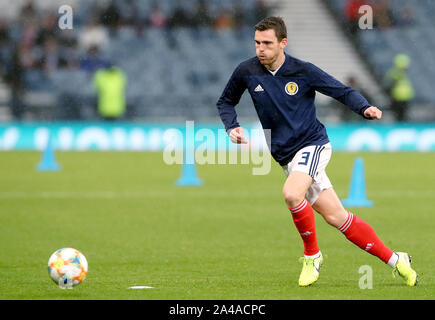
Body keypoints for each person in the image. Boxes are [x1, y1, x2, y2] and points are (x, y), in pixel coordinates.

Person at [216, 17, 417, 287]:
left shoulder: (302, 70)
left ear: (283, 43)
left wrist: (364, 108)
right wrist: (232, 127)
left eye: (267, 43)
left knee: (291, 193)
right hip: (287, 156)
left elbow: (341, 91)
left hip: (313, 145)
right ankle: (396, 260)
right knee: (337, 217)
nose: (260, 49)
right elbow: (226, 101)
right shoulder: (247, 71)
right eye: (257, 43)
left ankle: (312, 255)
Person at [384, 54, 414, 122]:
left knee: (402, 116)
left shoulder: (401, 74)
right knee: (399, 116)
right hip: (397, 99)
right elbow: (389, 86)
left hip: (403, 98)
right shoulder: (395, 74)